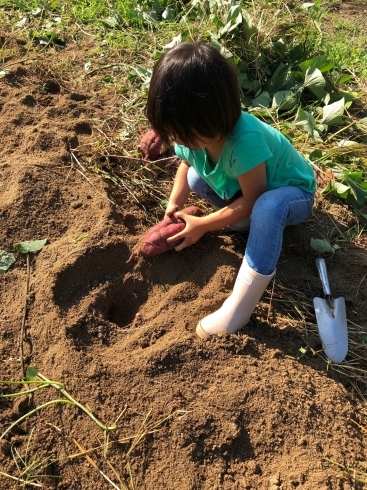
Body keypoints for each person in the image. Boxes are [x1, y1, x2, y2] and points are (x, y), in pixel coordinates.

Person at [145, 41, 316, 340]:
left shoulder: (244, 141)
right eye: (175, 133)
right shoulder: (195, 135)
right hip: (253, 193)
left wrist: (205, 225)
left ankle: (241, 305)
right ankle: (249, 226)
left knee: (267, 207)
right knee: (197, 178)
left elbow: (254, 199)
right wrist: (174, 202)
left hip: (292, 195)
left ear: (213, 117)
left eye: (184, 132)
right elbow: (185, 166)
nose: (179, 140)